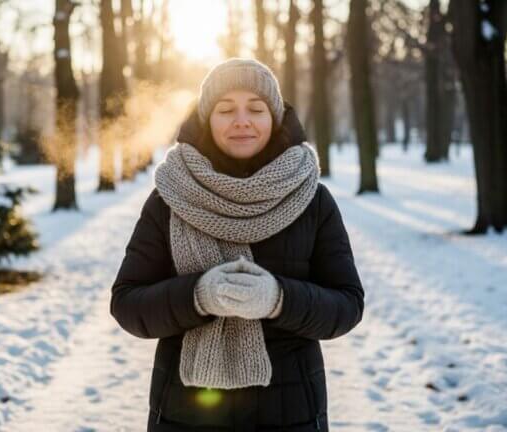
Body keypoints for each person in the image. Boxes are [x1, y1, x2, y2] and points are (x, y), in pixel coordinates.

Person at [110, 58, 364, 431]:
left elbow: (346, 305)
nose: (241, 120)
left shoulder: (312, 199)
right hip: (186, 413)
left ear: (274, 118)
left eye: (256, 109)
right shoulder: (169, 197)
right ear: (207, 120)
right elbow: (128, 303)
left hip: (290, 412)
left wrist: (279, 299)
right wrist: (197, 297)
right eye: (225, 109)